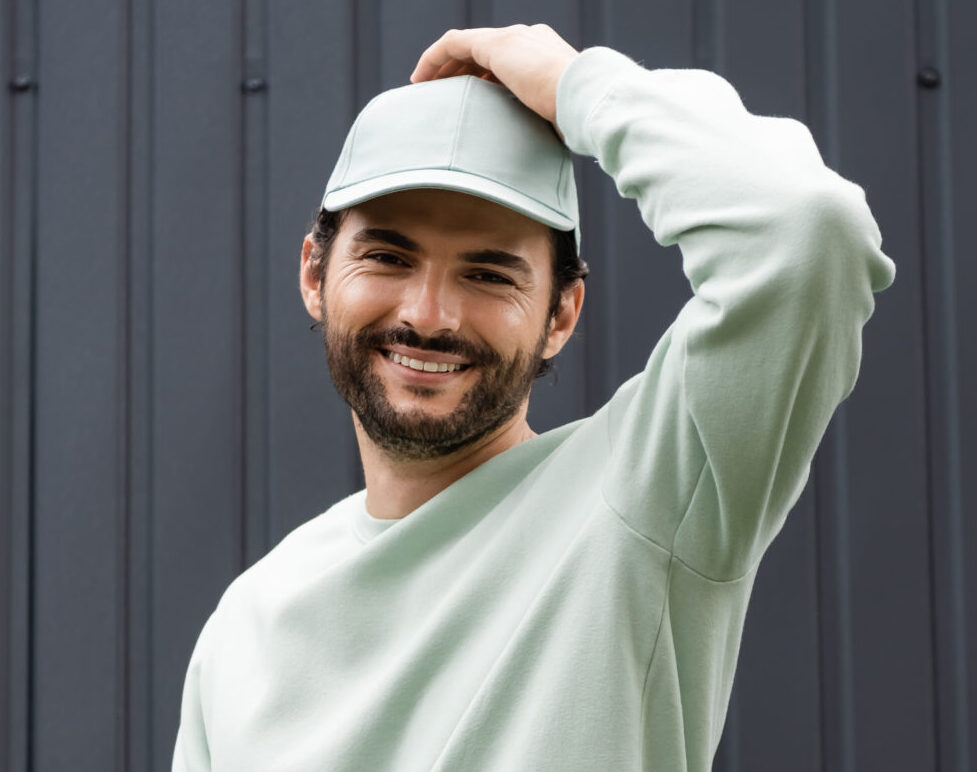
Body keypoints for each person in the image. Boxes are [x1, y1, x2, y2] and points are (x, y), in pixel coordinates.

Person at [172, 24, 894, 772]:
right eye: (387, 256)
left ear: (561, 314)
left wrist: (577, 86)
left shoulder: (643, 496)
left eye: (487, 274)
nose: (427, 314)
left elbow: (807, 230)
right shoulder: (249, 626)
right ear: (315, 275)